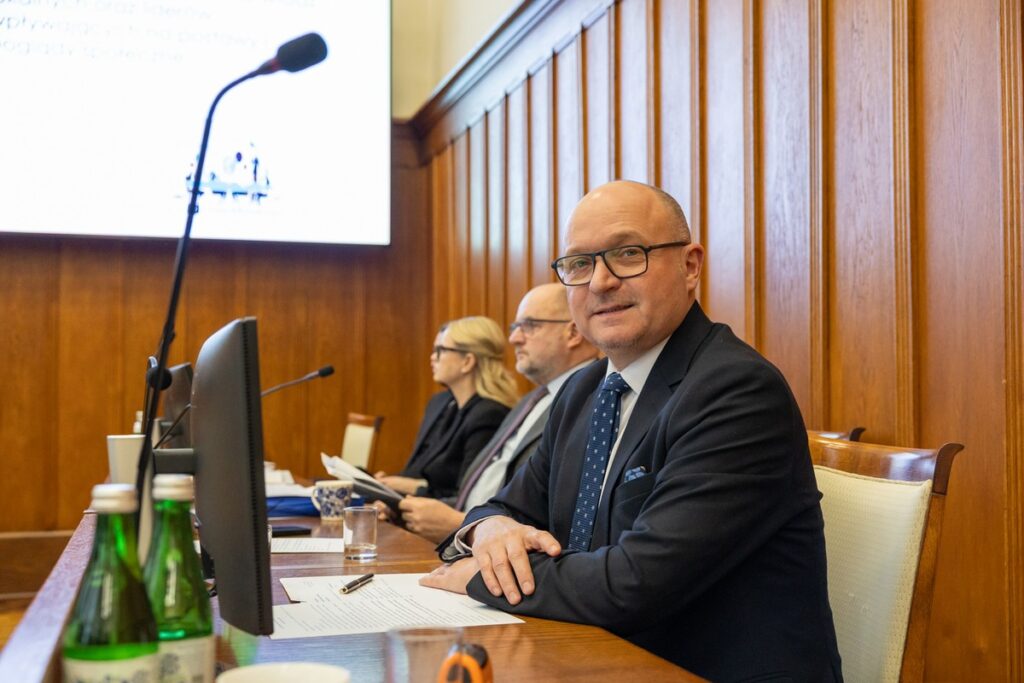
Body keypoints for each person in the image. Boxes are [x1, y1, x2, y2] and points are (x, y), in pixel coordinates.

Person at [422, 181, 843, 682]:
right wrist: (488, 530)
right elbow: (507, 507)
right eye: (579, 264)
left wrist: (481, 577)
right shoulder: (581, 391)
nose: (600, 281)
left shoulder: (736, 391)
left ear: (690, 266)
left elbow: (632, 583)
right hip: (589, 660)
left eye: (628, 254)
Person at [396, 284, 599, 543]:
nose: (514, 338)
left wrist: (463, 526)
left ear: (572, 332)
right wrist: (403, 509)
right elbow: (480, 492)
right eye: (515, 328)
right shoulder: (531, 400)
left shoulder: (594, 402)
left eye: (530, 325)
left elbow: (558, 517)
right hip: (467, 538)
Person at [375, 317, 518, 500]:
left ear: (467, 361)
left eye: (440, 350)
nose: (432, 357)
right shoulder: (440, 404)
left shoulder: (490, 415)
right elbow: (418, 468)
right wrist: (389, 488)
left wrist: (407, 487)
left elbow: (466, 495)